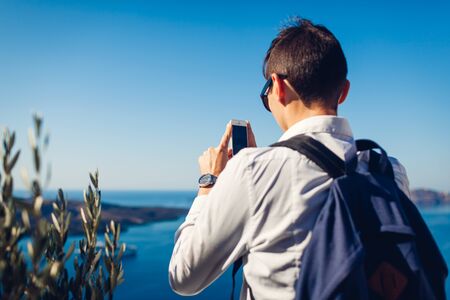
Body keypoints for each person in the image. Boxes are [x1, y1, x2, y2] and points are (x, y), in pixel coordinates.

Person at [168, 18, 411, 299]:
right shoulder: (390, 171)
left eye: (266, 94)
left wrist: (210, 184)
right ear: (344, 91)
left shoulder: (252, 172)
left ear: (278, 86)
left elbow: (183, 276)